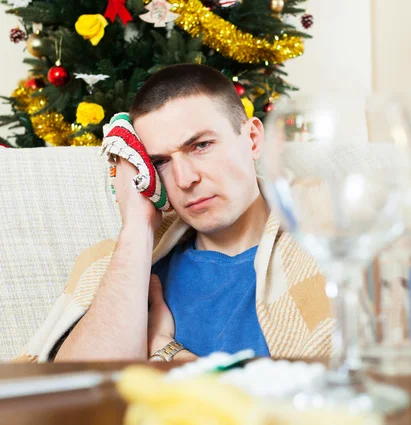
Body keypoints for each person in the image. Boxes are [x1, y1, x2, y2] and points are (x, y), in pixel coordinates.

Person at [15, 64, 334, 363]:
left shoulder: (331, 251)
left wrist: (166, 350)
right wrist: (137, 228)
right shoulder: (118, 268)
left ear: (252, 139)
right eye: (160, 162)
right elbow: (79, 398)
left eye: (201, 146)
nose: (185, 179)